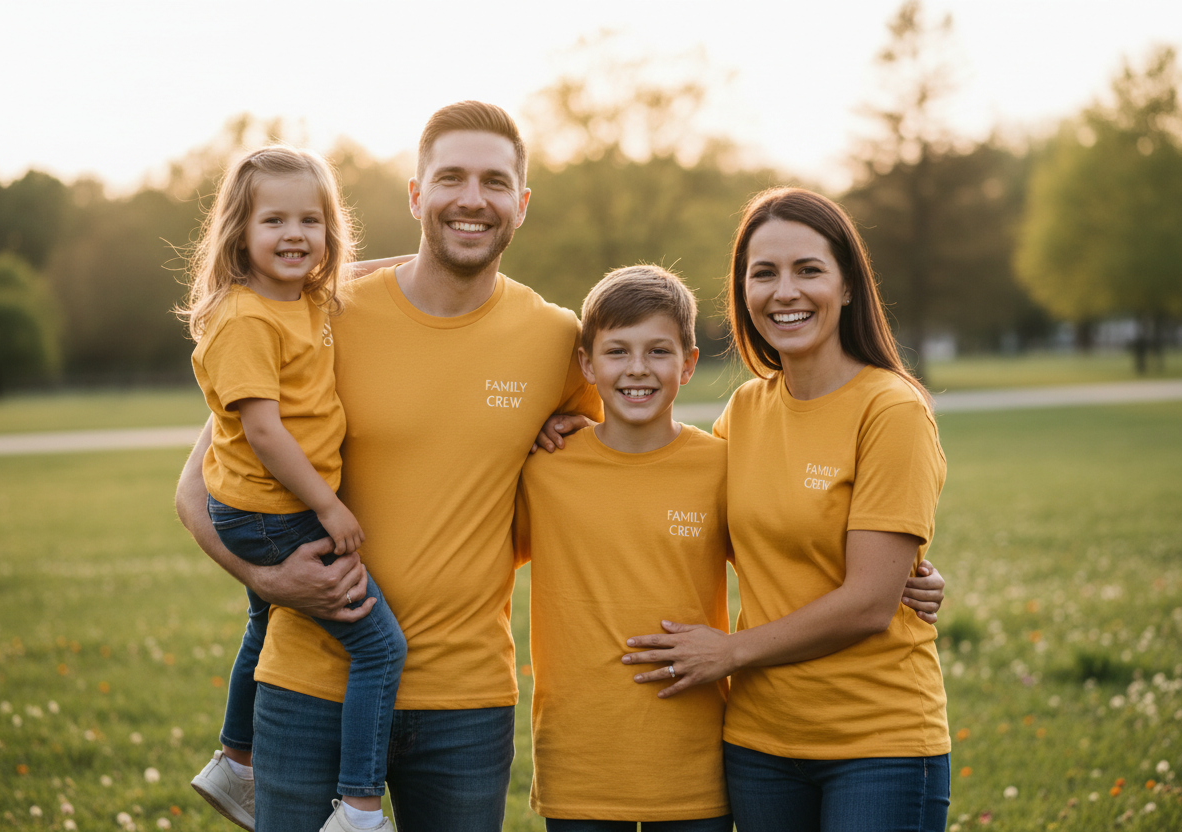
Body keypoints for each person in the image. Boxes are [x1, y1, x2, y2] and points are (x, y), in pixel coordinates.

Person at [175, 101, 602, 832]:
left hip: (465, 705)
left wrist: (571, 431)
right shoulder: (320, 314)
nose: (472, 198)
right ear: (415, 193)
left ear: (521, 204)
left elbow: (606, 458)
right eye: (451, 177)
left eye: (495, 182)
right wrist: (266, 579)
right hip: (308, 688)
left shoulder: (557, 339)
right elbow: (197, 486)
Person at [622, 187, 950, 831]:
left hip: (877, 745)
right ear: (743, 291)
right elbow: (673, 508)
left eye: (808, 270)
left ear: (849, 285)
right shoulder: (745, 412)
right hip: (759, 745)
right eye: (763, 273)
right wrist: (569, 423)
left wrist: (731, 651)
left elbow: (869, 602)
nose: (784, 292)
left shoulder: (892, 410)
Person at [179, 146, 406, 832]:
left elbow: (352, 273)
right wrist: (328, 506)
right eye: (274, 220)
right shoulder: (247, 318)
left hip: (261, 506)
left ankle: (234, 761)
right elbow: (267, 433)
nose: (295, 234)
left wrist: (412, 266)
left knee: (263, 617)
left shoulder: (300, 297)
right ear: (239, 235)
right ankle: (360, 806)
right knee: (380, 648)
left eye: (311, 220)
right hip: (276, 512)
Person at [514, 266, 733, 831]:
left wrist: (906, 574)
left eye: (658, 351)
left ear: (688, 362)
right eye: (617, 351)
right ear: (587, 364)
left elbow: (789, 552)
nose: (638, 369)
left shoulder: (721, 466)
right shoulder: (544, 466)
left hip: (693, 761)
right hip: (579, 760)